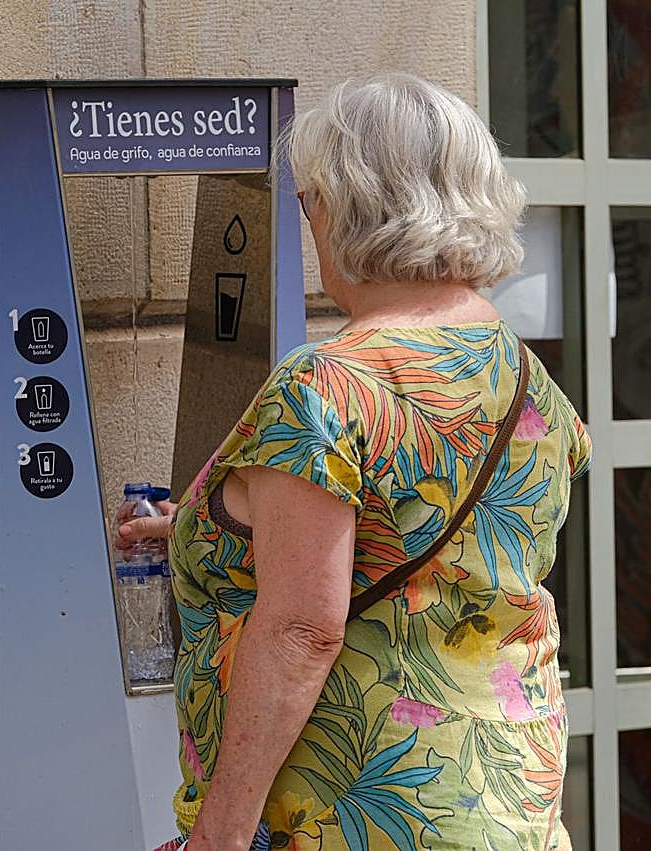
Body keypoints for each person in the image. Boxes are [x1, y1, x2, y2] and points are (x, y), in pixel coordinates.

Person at [123, 74, 592, 851]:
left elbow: (305, 627)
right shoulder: (530, 384)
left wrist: (220, 835)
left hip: (354, 815)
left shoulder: (327, 387)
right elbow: (437, 556)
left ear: (347, 206)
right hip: (511, 805)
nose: (307, 221)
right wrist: (196, 527)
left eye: (307, 199)